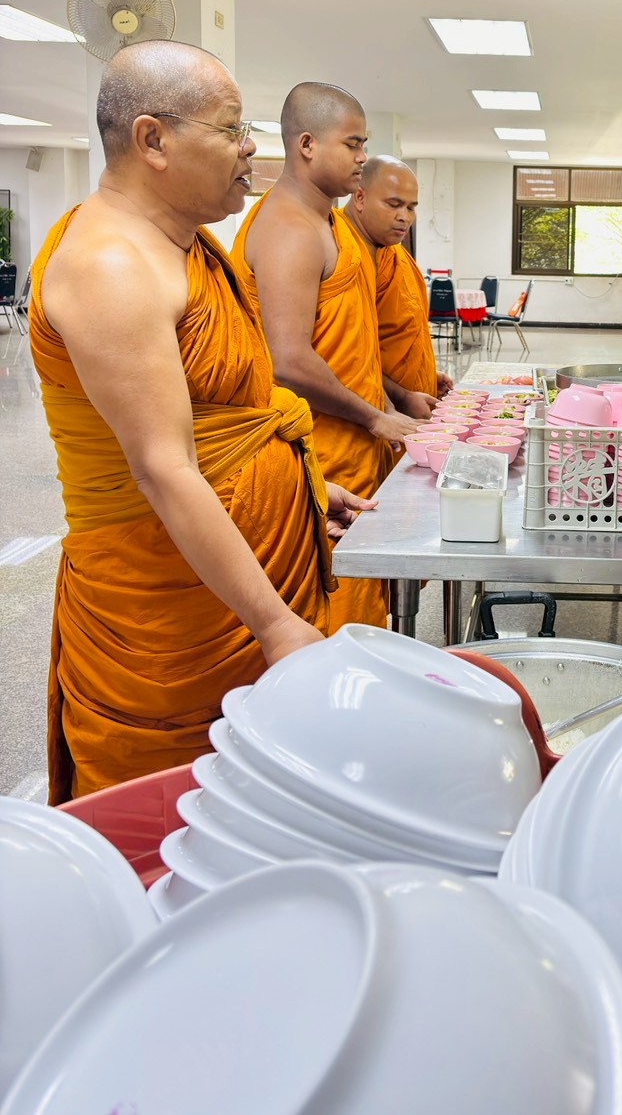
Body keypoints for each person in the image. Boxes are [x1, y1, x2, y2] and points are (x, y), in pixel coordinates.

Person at [29, 42, 373, 801]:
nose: (251, 148)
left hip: (238, 574)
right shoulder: (110, 265)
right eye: (231, 128)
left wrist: (304, 487)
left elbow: (225, 415)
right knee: (175, 816)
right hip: (172, 619)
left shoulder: (185, 246)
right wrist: (275, 625)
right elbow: (164, 467)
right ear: (153, 139)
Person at [230, 85, 421, 631]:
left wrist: (392, 399)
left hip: (353, 450)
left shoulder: (331, 225)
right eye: (353, 144)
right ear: (308, 144)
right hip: (321, 455)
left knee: (363, 614)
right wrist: (374, 416)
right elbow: (288, 360)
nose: (363, 157)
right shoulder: (289, 228)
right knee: (332, 625)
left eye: (365, 145)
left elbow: (350, 343)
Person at [344, 156, 454, 475]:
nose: (404, 217)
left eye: (411, 207)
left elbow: (394, 334)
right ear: (360, 197)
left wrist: (423, 374)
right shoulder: (342, 252)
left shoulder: (392, 254)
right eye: (394, 204)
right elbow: (343, 356)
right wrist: (400, 395)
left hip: (405, 416)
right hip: (364, 418)